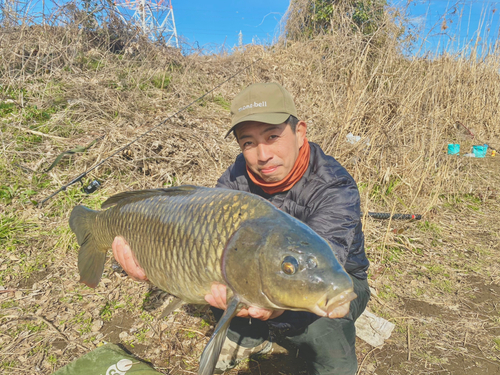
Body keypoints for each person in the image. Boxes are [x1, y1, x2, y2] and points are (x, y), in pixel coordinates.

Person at [112, 82, 370, 375]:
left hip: (335, 275)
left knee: (322, 322)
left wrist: (278, 307)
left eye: (272, 137)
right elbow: (198, 241)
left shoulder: (334, 186)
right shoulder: (235, 178)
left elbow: (322, 260)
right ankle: (248, 340)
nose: (262, 155)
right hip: (264, 269)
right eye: (248, 142)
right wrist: (157, 266)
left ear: (300, 133)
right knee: (216, 276)